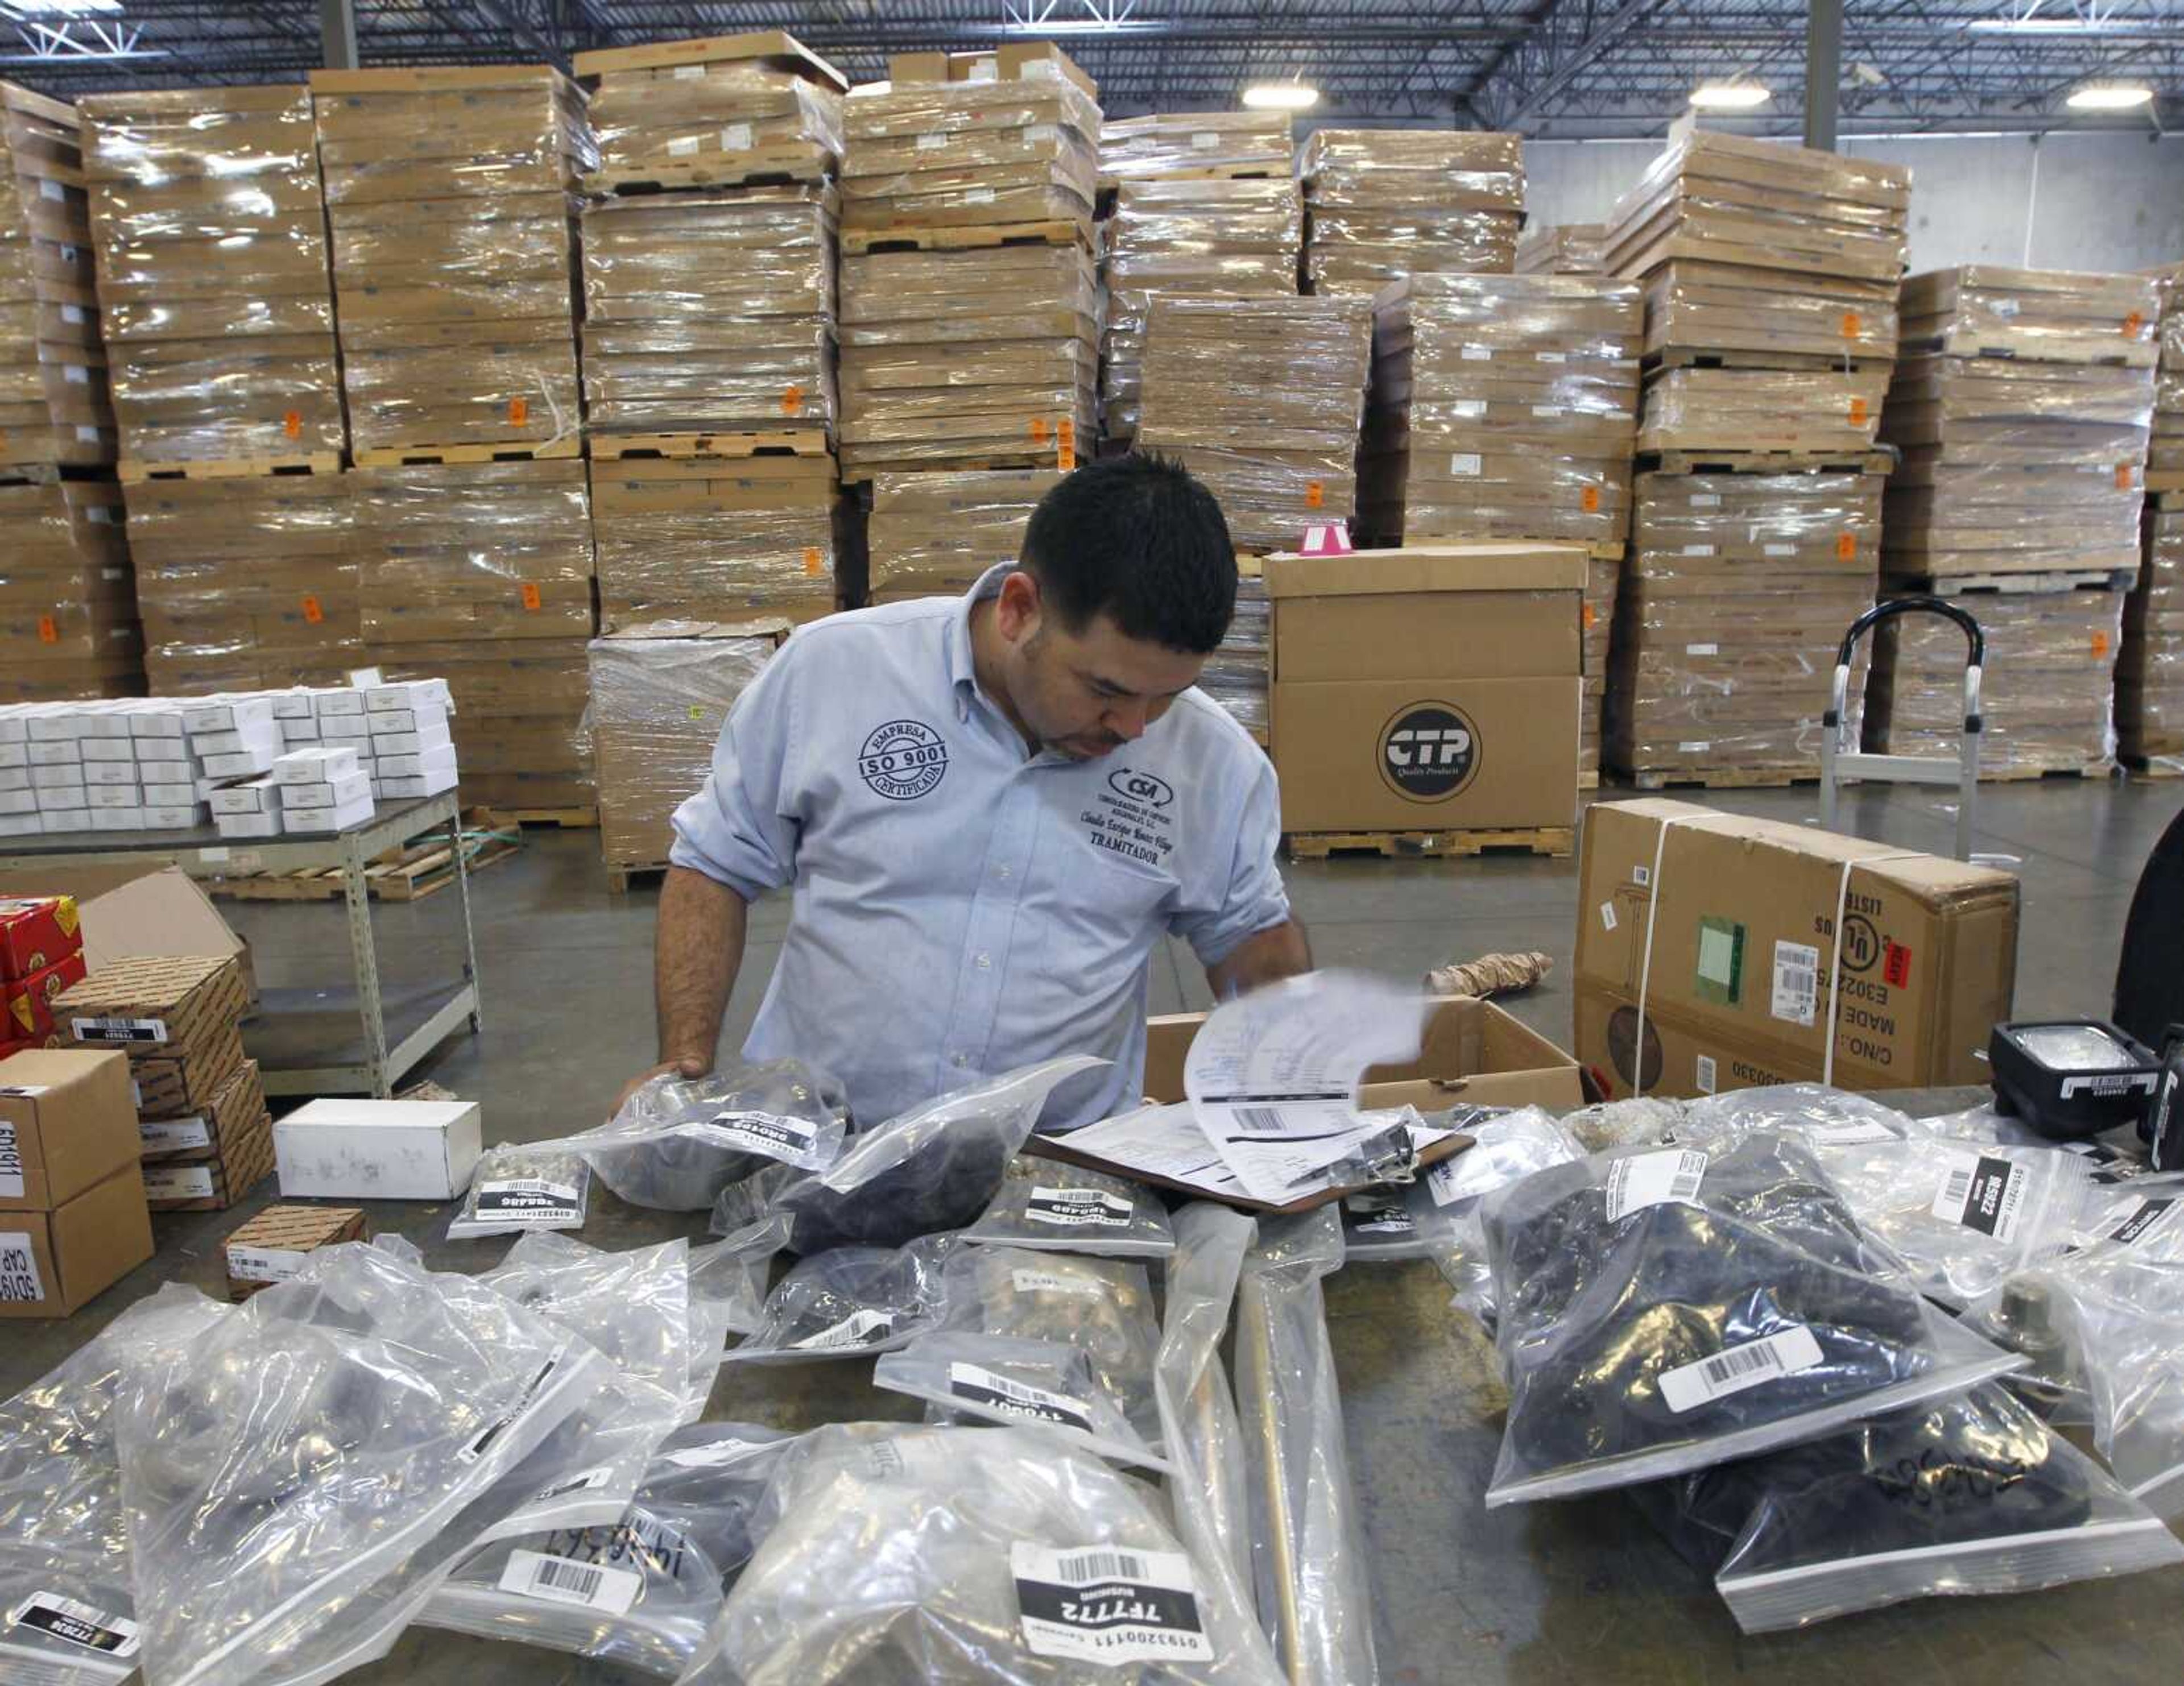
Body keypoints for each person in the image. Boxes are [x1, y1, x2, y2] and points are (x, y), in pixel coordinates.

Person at [621, 453, 1310, 1129]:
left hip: (1053, 1175)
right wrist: (684, 1064)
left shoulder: (1214, 763)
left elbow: (1250, 937)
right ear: (1018, 609)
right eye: (1106, 690)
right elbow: (715, 863)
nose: (1134, 727)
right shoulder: (834, 673)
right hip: (823, 1141)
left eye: (1168, 696)